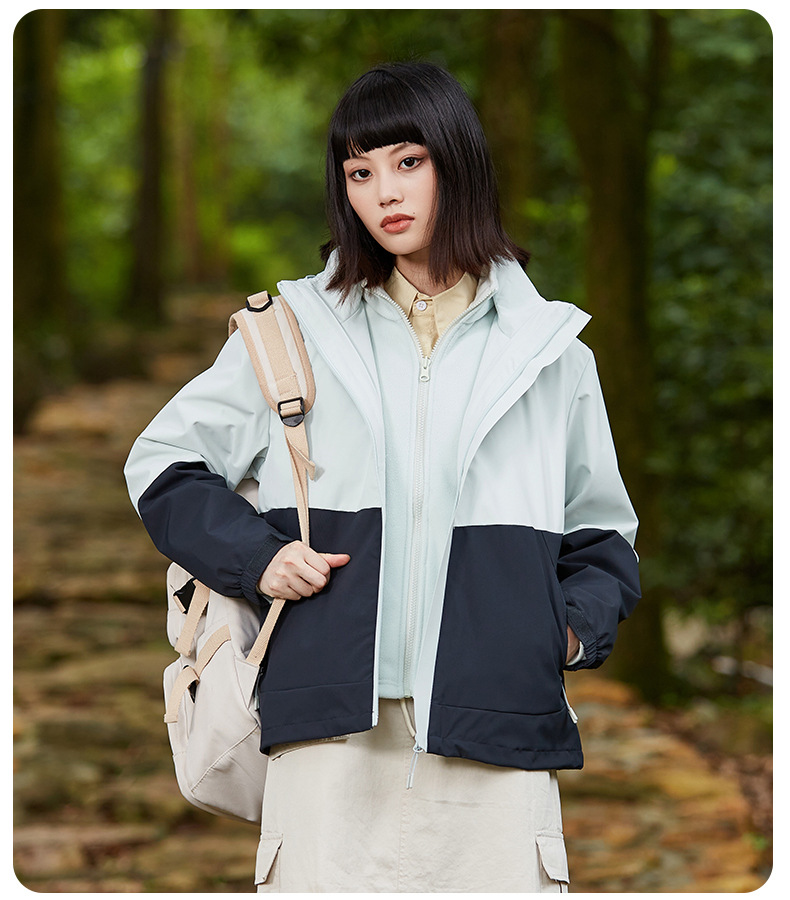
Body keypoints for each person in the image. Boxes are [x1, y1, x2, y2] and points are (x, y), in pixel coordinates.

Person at [125, 61, 640, 893]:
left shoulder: (552, 355)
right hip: (328, 727)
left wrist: (562, 631)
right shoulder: (291, 331)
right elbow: (161, 463)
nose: (384, 193)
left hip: (497, 728)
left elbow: (602, 534)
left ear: (457, 162)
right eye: (359, 173)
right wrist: (256, 557)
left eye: (408, 162)